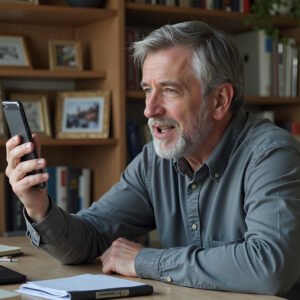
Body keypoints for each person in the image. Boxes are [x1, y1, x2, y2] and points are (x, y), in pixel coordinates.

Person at [5, 21, 300, 298]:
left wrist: (145, 261)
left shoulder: (271, 155)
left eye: (169, 90)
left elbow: (270, 267)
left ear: (220, 100)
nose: (149, 109)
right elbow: (89, 238)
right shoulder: (154, 161)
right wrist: (38, 206)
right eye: (148, 90)